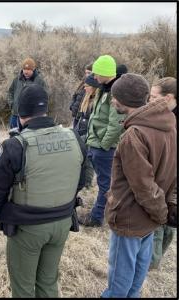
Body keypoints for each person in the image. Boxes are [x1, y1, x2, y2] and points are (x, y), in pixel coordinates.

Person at [0, 85, 86, 297]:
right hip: (62, 222)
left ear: (20, 113)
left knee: (23, 288)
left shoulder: (15, 146)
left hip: (27, 227)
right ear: (45, 110)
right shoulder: (74, 137)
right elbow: (83, 179)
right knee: (48, 282)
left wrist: (6, 217)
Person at [102, 73, 177, 297]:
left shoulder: (134, 135)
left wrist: (161, 213)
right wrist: (161, 212)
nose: (113, 101)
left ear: (123, 100)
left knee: (119, 282)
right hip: (150, 219)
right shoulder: (169, 125)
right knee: (137, 277)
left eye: (115, 97)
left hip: (130, 220)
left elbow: (143, 186)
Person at [78, 55, 125, 227]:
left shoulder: (116, 92)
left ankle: (97, 218)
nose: (94, 77)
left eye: (97, 73)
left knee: (106, 184)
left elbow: (116, 124)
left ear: (105, 73)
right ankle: (106, 213)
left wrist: (104, 145)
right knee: (105, 183)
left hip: (104, 148)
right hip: (95, 144)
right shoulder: (103, 88)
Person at [148, 77, 177, 270]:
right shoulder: (166, 116)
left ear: (168, 97)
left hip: (170, 179)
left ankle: (151, 262)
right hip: (168, 177)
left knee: (162, 218)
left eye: (153, 96)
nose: (149, 101)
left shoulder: (171, 121)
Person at [73, 74, 100, 189]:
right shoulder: (86, 97)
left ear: (93, 87)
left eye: (87, 86)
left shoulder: (97, 101)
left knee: (88, 162)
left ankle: (87, 184)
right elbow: (80, 117)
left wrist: (89, 135)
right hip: (80, 132)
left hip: (89, 135)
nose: (84, 88)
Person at [8, 57, 47, 129]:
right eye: (24, 69)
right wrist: (12, 104)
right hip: (15, 115)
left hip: (30, 117)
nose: (26, 71)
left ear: (33, 69)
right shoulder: (16, 80)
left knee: (28, 138)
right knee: (14, 137)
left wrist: (37, 111)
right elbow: (10, 92)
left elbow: (44, 97)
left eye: (28, 69)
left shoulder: (39, 81)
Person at [70, 63, 93, 127]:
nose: (87, 75)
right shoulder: (83, 83)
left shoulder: (94, 85)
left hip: (84, 117)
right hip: (76, 115)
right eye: (86, 73)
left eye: (89, 73)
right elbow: (75, 95)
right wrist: (72, 106)